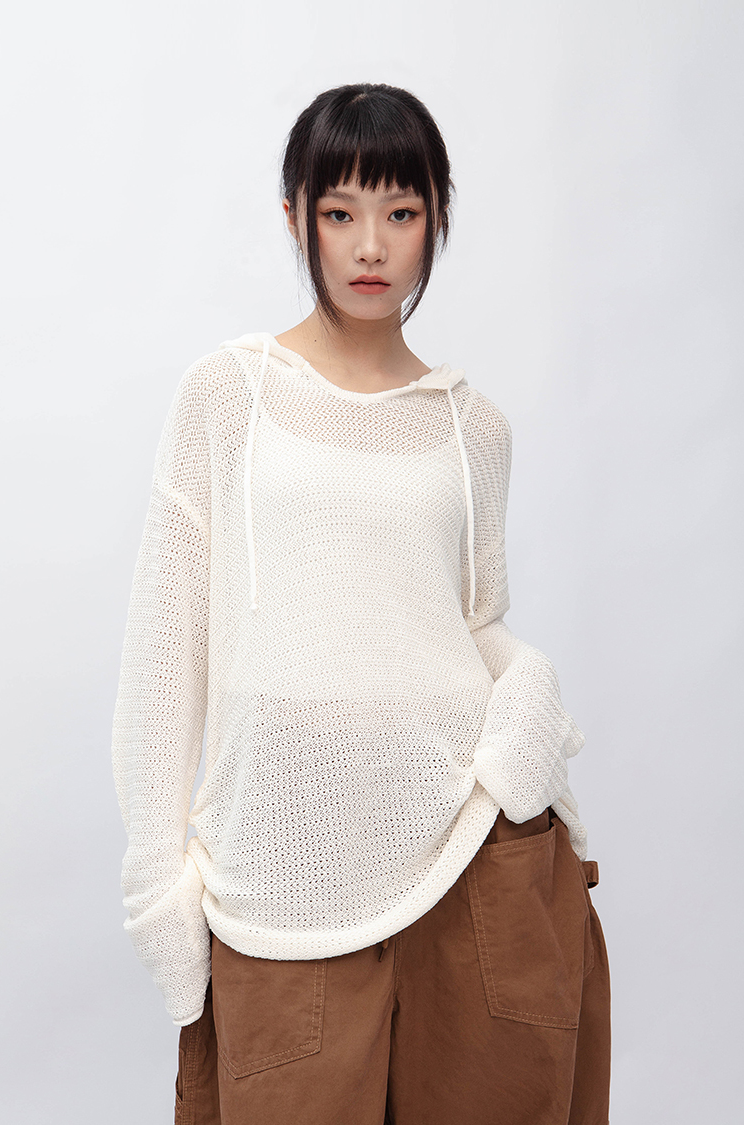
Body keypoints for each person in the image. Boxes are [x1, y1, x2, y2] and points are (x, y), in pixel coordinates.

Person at [112, 83, 611, 1125]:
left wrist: (531, 687)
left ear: (438, 217)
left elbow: (472, 620)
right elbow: (167, 646)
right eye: (340, 212)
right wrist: (158, 885)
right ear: (296, 216)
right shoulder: (230, 394)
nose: (371, 245)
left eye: (402, 211)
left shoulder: (474, 428)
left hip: (473, 849)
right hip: (281, 875)